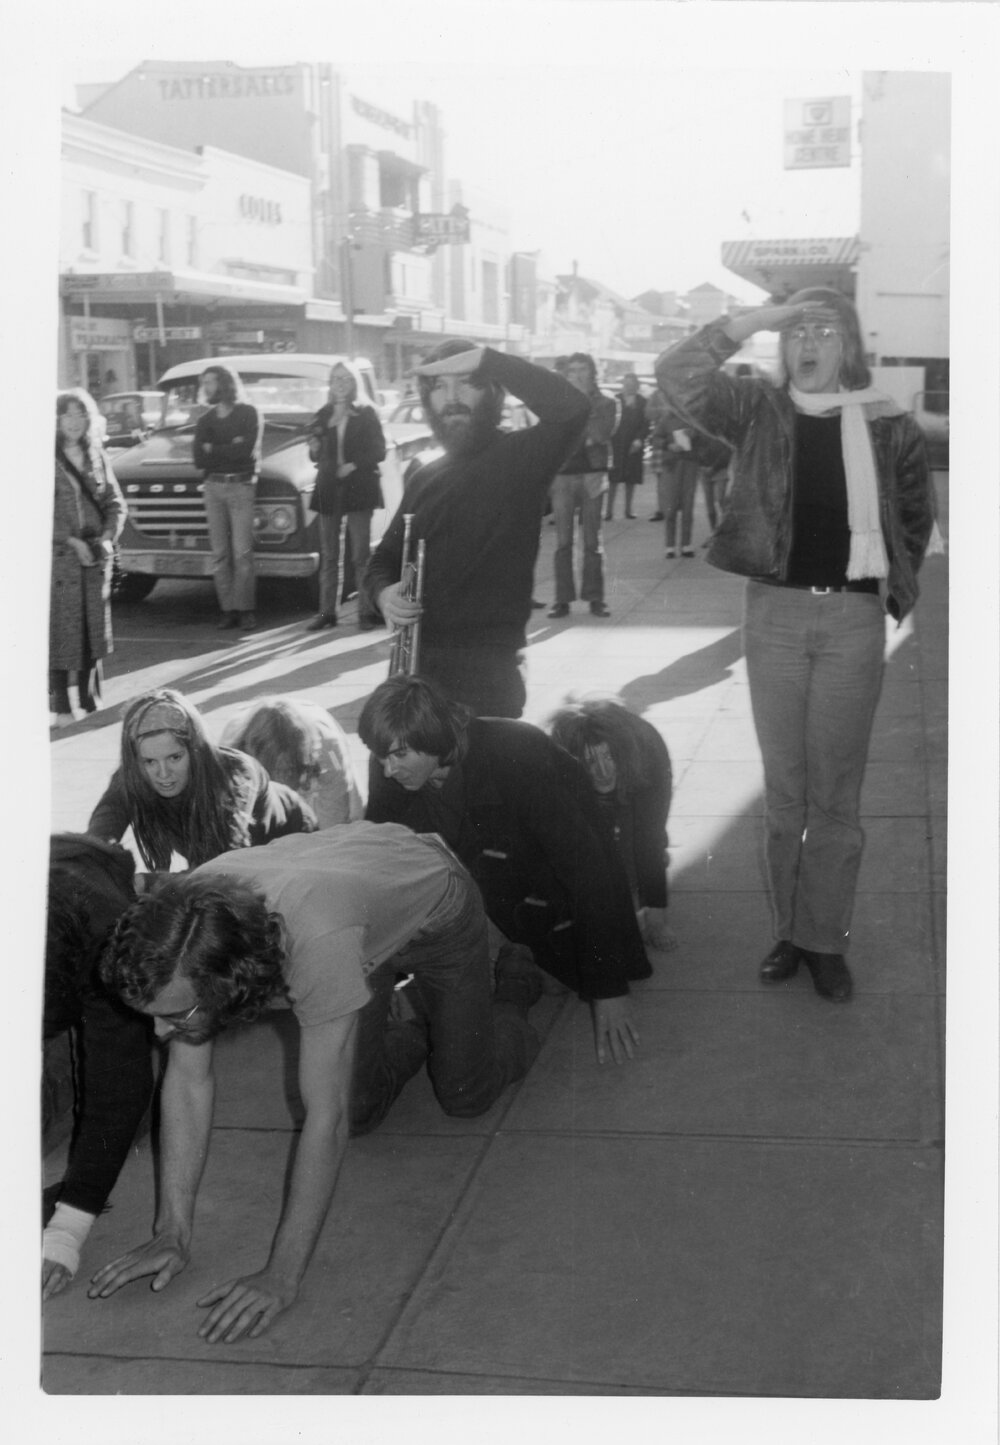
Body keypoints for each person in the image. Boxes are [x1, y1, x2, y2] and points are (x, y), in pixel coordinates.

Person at [88, 825, 540, 1342]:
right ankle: (420, 1023)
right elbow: (188, 1083)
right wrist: (172, 1231)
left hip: (433, 904)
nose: (161, 1032)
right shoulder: (183, 932)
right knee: (363, 1108)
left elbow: (327, 1118)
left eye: (175, 1015)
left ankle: (516, 980)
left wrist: (282, 1276)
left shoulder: (312, 942)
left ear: (225, 982)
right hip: (349, 913)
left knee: (464, 1091)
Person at [656, 287, 937, 1003]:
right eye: (797, 332)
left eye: (823, 331)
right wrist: (749, 321)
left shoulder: (888, 423)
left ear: (848, 343)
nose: (808, 344)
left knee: (836, 795)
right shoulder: (759, 411)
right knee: (786, 793)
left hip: (850, 620)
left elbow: (912, 516)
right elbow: (677, 373)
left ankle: (825, 939)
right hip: (775, 616)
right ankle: (789, 929)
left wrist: (890, 594)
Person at [361, 674, 651, 1065]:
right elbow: (381, 869)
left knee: (545, 983)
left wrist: (608, 988)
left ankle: (516, 969)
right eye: (380, 756)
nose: (387, 769)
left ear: (434, 740)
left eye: (398, 756)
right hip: (480, 894)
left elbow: (589, 869)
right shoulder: (391, 763)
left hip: (552, 898)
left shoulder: (516, 753)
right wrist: (386, 972)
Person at [362, 342, 588, 718]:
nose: (451, 399)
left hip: (489, 677)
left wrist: (491, 360)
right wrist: (383, 594)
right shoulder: (422, 473)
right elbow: (381, 560)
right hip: (418, 675)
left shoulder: (522, 457)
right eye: (438, 387)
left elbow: (573, 410)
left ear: (494, 390)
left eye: (466, 383)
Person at [42, 835, 154, 1300]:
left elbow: (117, 1092)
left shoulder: (107, 945)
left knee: (129, 1119)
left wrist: (66, 1231)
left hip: (92, 878)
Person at [88, 688, 317, 872]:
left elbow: (218, 870)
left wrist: (149, 885)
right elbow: (97, 840)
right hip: (229, 861)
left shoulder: (235, 777)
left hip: (296, 848)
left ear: (195, 750)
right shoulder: (131, 776)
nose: (164, 773)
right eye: (150, 762)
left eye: (175, 757)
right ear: (135, 761)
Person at [548, 697, 677, 952]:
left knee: (646, 839)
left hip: (644, 768)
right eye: (591, 762)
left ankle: (654, 905)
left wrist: (656, 920)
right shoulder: (559, 767)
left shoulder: (647, 754)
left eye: (609, 757)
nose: (603, 771)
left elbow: (646, 837)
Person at [51, 389, 126, 726]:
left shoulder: (97, 456)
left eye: (80, 415)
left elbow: (115, 502)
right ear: (55, 419)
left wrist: (108, 537)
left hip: (94, 558)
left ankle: (88, 700)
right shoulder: (43, 458)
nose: (74, 422)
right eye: (67, 415)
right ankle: (61, 707)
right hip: (59, 559)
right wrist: (68, 539)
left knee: (90, 631)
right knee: (57, 633)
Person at [305, 361, 387, 632]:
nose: (339, 383)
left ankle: (365, 611)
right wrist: (316, 447)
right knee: (329, 554)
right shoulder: (323, 415)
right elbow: (315, 454)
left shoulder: (365, 413)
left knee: (360, 555)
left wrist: (352, 466)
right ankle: (327, 612)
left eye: (345, 379)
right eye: (335, 379)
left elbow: (379, 451)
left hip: (358, 488)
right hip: (329, 488)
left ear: (354, 383)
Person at [219, 695, 363, 828]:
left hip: (319, 769)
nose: (280, 782)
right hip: (259, 779)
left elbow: (333, 826)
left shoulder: (329, 749)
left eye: (285, 771)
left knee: (351, 821)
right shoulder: (231, 750)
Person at [192, 364, 263, 632]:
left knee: (242, 552)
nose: (207, 387)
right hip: (213, 488)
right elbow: (199, 459)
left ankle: (246, 610)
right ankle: (228, 610)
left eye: (211, 381)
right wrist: (229, 447)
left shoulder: (249, 413)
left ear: (225, 383)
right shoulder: (205, 420)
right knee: (220, 553)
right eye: (205, 382)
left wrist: (215, 450)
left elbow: (247, 453)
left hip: (241, 487)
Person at [547, 353, 616, 619]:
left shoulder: (607, 403)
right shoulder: (559, 403)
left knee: (592, 540)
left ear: (592, 373)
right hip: (563, 475)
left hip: (593, 474)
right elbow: (555, 436)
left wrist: (582, 403)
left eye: (582, 369)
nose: (576, 374)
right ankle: (562, 599)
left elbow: (599, 435)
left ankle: (595, 598)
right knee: (563, 540)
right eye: (572, 370)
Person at [606, 373, 648, 520]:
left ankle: (628, 510)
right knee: (613, 478)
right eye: (627, 383)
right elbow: (609, 420)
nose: (629, 386)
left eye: (632, 383)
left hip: (633, 444)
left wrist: (639, 439)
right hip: (617, 443)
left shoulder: (643, 402)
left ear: (637, 385)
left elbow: (645, 423)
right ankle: (608, 511)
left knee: (631, 478)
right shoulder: (615, 400)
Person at [660, 413, 701, 558]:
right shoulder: (666, 418)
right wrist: (668, 445)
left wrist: (695, 434)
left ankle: (686, 544)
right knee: (670, 506)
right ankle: (670, 545)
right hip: (672, 464)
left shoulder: (693, 418)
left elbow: (706, 436)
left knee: (688, 505)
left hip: (690, 462)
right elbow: (656, 438)